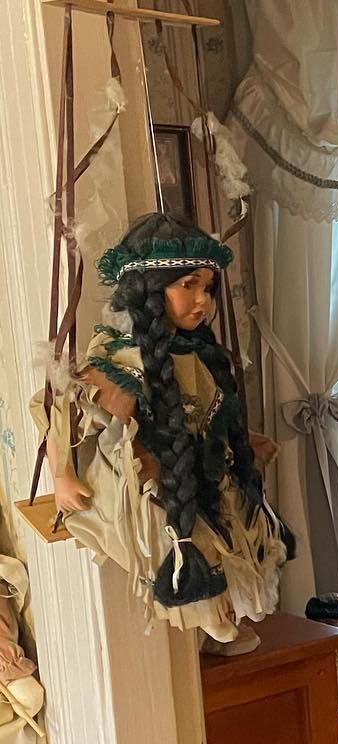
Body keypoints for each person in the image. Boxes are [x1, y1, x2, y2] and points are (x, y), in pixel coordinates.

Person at [43, 213, 292, 648]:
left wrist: (243, 439)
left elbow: (205, 411)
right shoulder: (122, 356)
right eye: (187, 286)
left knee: (232, 524)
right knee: (180, 528)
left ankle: (218, 614)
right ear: (149, 291)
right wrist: (61, 472)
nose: (202, 301)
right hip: (147, 475)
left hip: (197, 467)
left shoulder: (195, 349)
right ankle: (204, 611)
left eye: (207, 288)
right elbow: (63, 408)